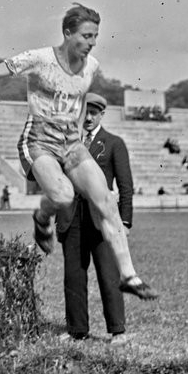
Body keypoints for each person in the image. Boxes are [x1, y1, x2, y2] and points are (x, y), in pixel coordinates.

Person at [0, 3, 156, 300]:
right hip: (39, 140)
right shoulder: (39, 59)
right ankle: (42, 218)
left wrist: (77, 131)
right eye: (86, 36)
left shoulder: (91, 66)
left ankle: (129, 276)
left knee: (106, 198)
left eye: (96, 36)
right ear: (67, 33)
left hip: (72, 143)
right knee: (64, 196)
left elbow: (78, 101)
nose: (92, 43)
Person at [55, 93, 134, 341]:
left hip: (102, 219)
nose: (88, 118)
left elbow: (125, 186)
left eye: (93, 113)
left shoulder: (113, 143)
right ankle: (77, 330)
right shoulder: (66, 144)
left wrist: (124, 222)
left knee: (108, 275)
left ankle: (117, 330)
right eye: (84, 113)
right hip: (72, 218)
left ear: (102, 115)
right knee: (73, 275)